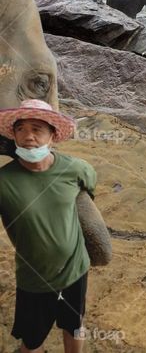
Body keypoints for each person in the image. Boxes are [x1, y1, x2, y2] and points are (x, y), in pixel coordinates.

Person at [0, 99, 96, 353]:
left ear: (52, 136)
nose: (28, 136)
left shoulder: (76, 169)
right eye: (21, 129)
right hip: (35, 279)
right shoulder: (4, 181)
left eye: (37, 129)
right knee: (32, 341)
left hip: (76, 269)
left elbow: (87, 199)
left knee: (74, 325)